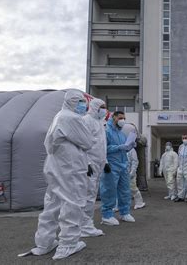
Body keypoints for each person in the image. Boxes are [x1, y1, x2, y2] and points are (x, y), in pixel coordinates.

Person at [24, 90, 95, 260]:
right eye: (80, 101)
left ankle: (45, 242)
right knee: (73, 202)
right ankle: (68, 244)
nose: (83, 104)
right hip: (69, 167)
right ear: (71, 102)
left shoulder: (59, 116)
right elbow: (88, 142)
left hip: (56, 166)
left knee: (53, 204)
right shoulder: (71, 118)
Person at [100, 111, 136, 226]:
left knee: (125, 190)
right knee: (109, 190)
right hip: (111, 165)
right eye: (120, 117)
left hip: (123, 165)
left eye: (124, 118)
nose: (123, 120)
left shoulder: (121, 134)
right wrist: (120, 147)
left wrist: (129, 147)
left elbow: (123, 149)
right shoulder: (106, 131)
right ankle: (107, 215)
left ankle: (124, 212)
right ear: (113, 117)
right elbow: (103, 148)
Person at [80, 98, 107, 237]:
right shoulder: (86, 120)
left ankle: (86, 224)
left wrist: (105, 161)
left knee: (92, 194)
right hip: (90, 165)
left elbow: (101, 145)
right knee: (88, 196)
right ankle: (85, 226)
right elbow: (83, 144)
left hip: (98, 164)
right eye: (102, 107)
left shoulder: (99, 122)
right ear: (95, 107)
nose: (104, 110)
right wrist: (87, 163)